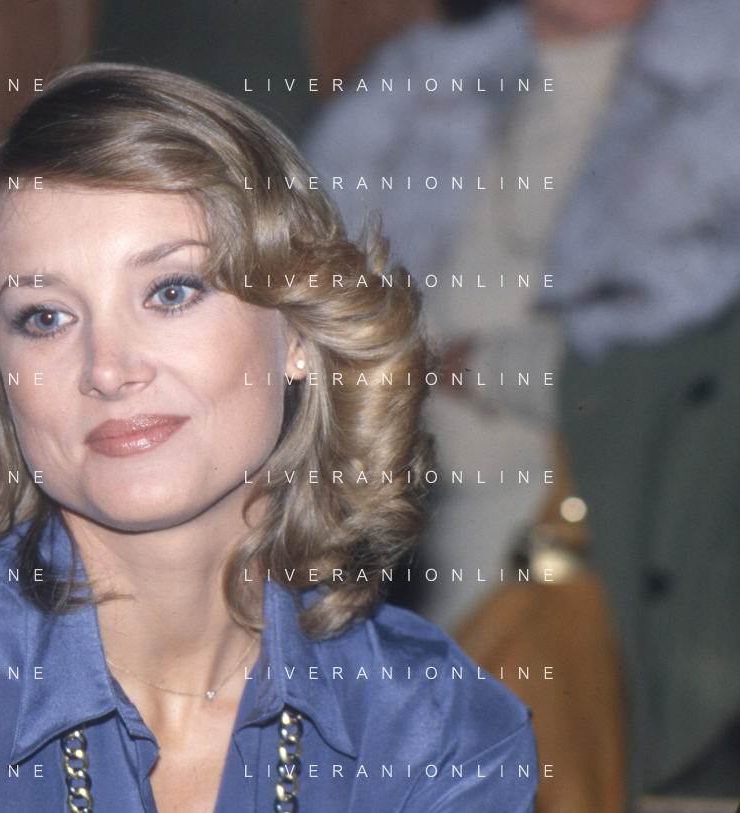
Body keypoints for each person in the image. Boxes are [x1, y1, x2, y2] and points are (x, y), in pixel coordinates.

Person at [0, 63, 538, 812]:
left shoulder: (439, 728)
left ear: (299, 331)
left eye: (170, 291)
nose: (107, 367)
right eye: (44, 317)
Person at [303, 0, 740, 798]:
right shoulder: (415, 90)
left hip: (624, 542)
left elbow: (692, 362)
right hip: (406, 529)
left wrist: (491, 366)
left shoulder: (721, 90)